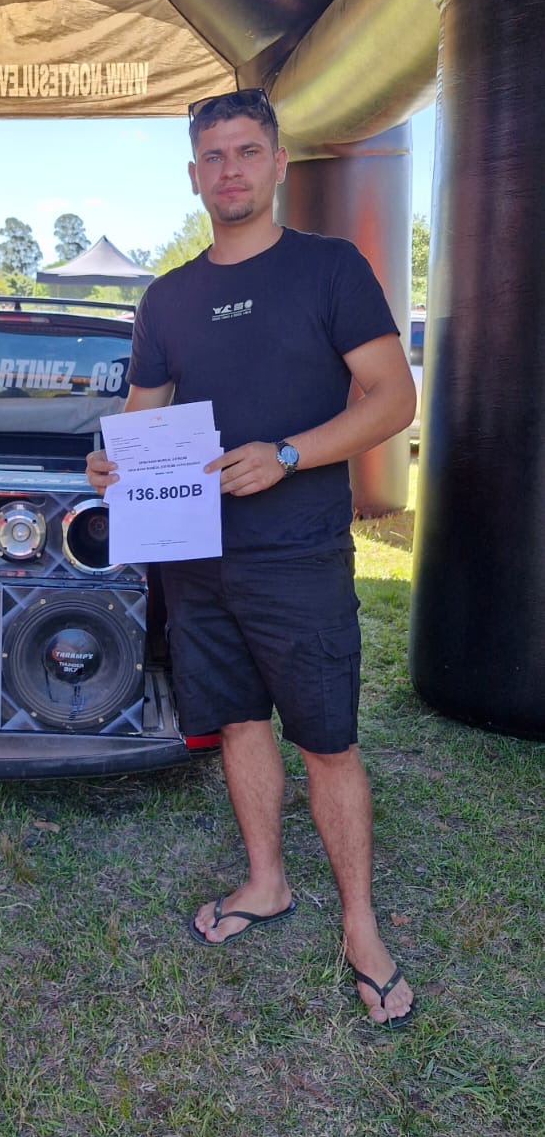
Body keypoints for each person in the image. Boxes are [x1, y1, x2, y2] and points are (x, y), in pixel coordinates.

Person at [85, 88, 417, 1028]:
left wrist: (288, 456)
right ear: (194, 176)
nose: (229, 169)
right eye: (213, 156)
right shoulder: (167, 297)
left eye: (247, 150)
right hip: (193, 554)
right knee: (236, 723)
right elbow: (144, 412)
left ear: (277, 163)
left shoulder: (328, 269)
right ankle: (266, 882)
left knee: (328, 741)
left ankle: (361, 926)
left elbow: (392, 399)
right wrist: (109, 458)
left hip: (298, 552)